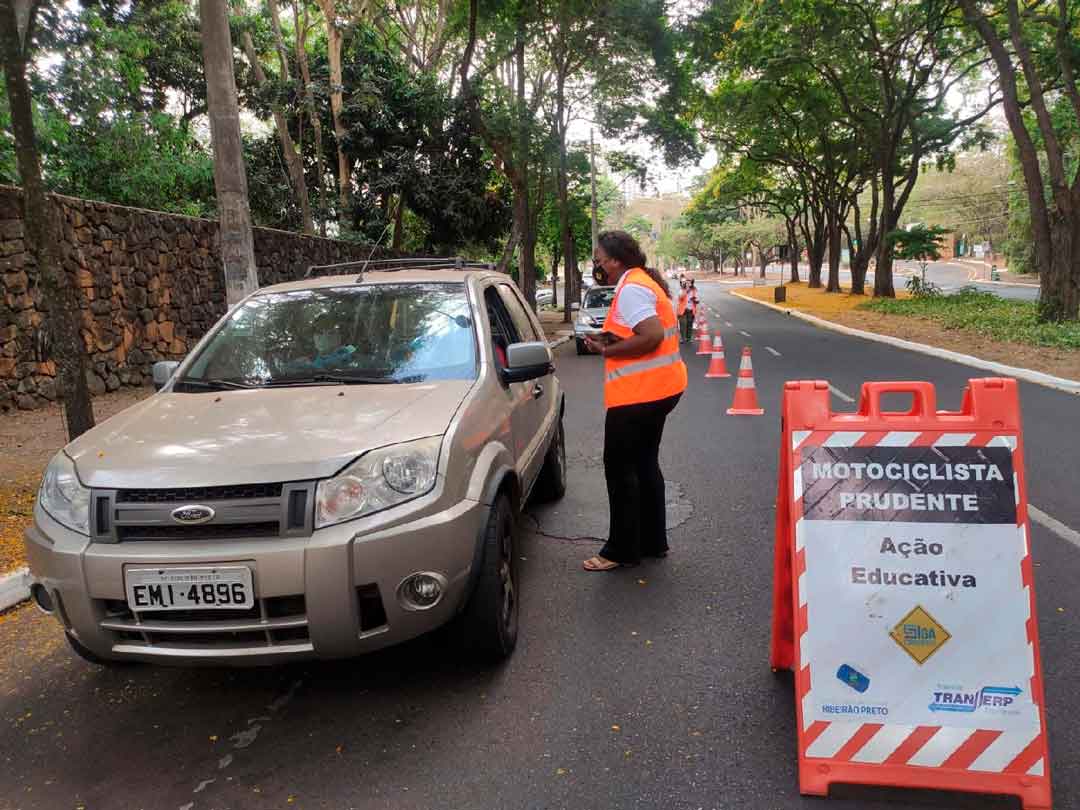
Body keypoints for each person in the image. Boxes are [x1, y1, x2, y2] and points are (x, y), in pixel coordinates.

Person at [582, 231, 688, 571]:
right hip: (662, 388)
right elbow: (640, 331)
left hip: (639, 395)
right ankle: (653, 541)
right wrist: (609, 338)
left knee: (620, 469)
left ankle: (621, 550)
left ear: (615, 260)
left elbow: (652, 335)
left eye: (599, 258)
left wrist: (607, 349)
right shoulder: (643, 282)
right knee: (644, 463)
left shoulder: (631, 289)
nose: (597, 264)